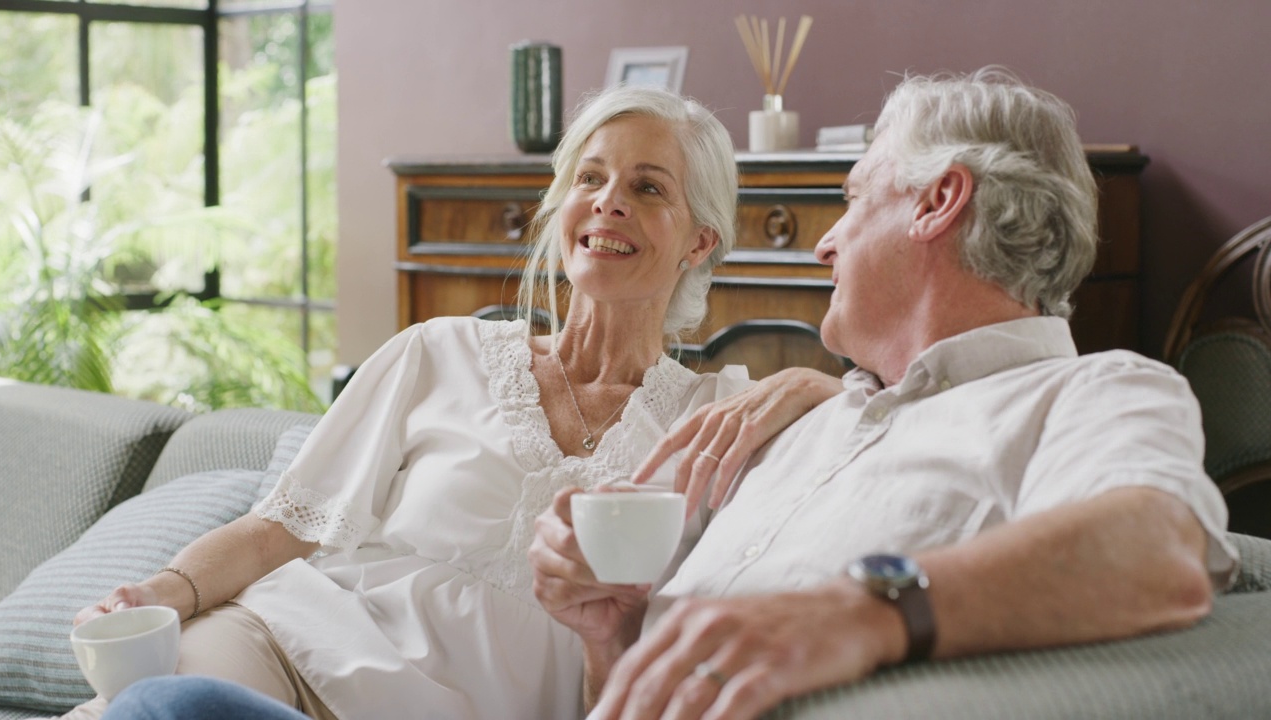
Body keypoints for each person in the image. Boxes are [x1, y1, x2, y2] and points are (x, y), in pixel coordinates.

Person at [64, 84, 840, 720]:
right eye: (590, 179)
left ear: (700, 241)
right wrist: (160, 592)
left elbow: (898, 421)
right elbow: (279, 531)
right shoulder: (437, 353)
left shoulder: (718, 422)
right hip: (280, 648)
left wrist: (816, 382)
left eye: (646, 187)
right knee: (167, 707)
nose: (608, 203)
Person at [529, 67, 1240, 720]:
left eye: (854, 195)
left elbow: (1162, 550)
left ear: (938, 202)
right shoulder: (799, 427)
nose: (825, 244)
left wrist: (858, 612)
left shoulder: (1092, 391)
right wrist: (616, 635)